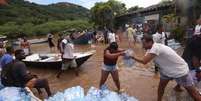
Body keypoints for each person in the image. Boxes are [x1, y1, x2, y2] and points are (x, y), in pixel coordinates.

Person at [131, 35, 201, 101]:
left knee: (193, 93)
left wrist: (132, 57)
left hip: (180, 71)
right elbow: (145, 58)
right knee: (161, 87)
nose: (143, 46)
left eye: (144, 44)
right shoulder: (150, 49)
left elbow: (144, 61)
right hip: (166, 71)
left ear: (150, 42)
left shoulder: (155, 48)